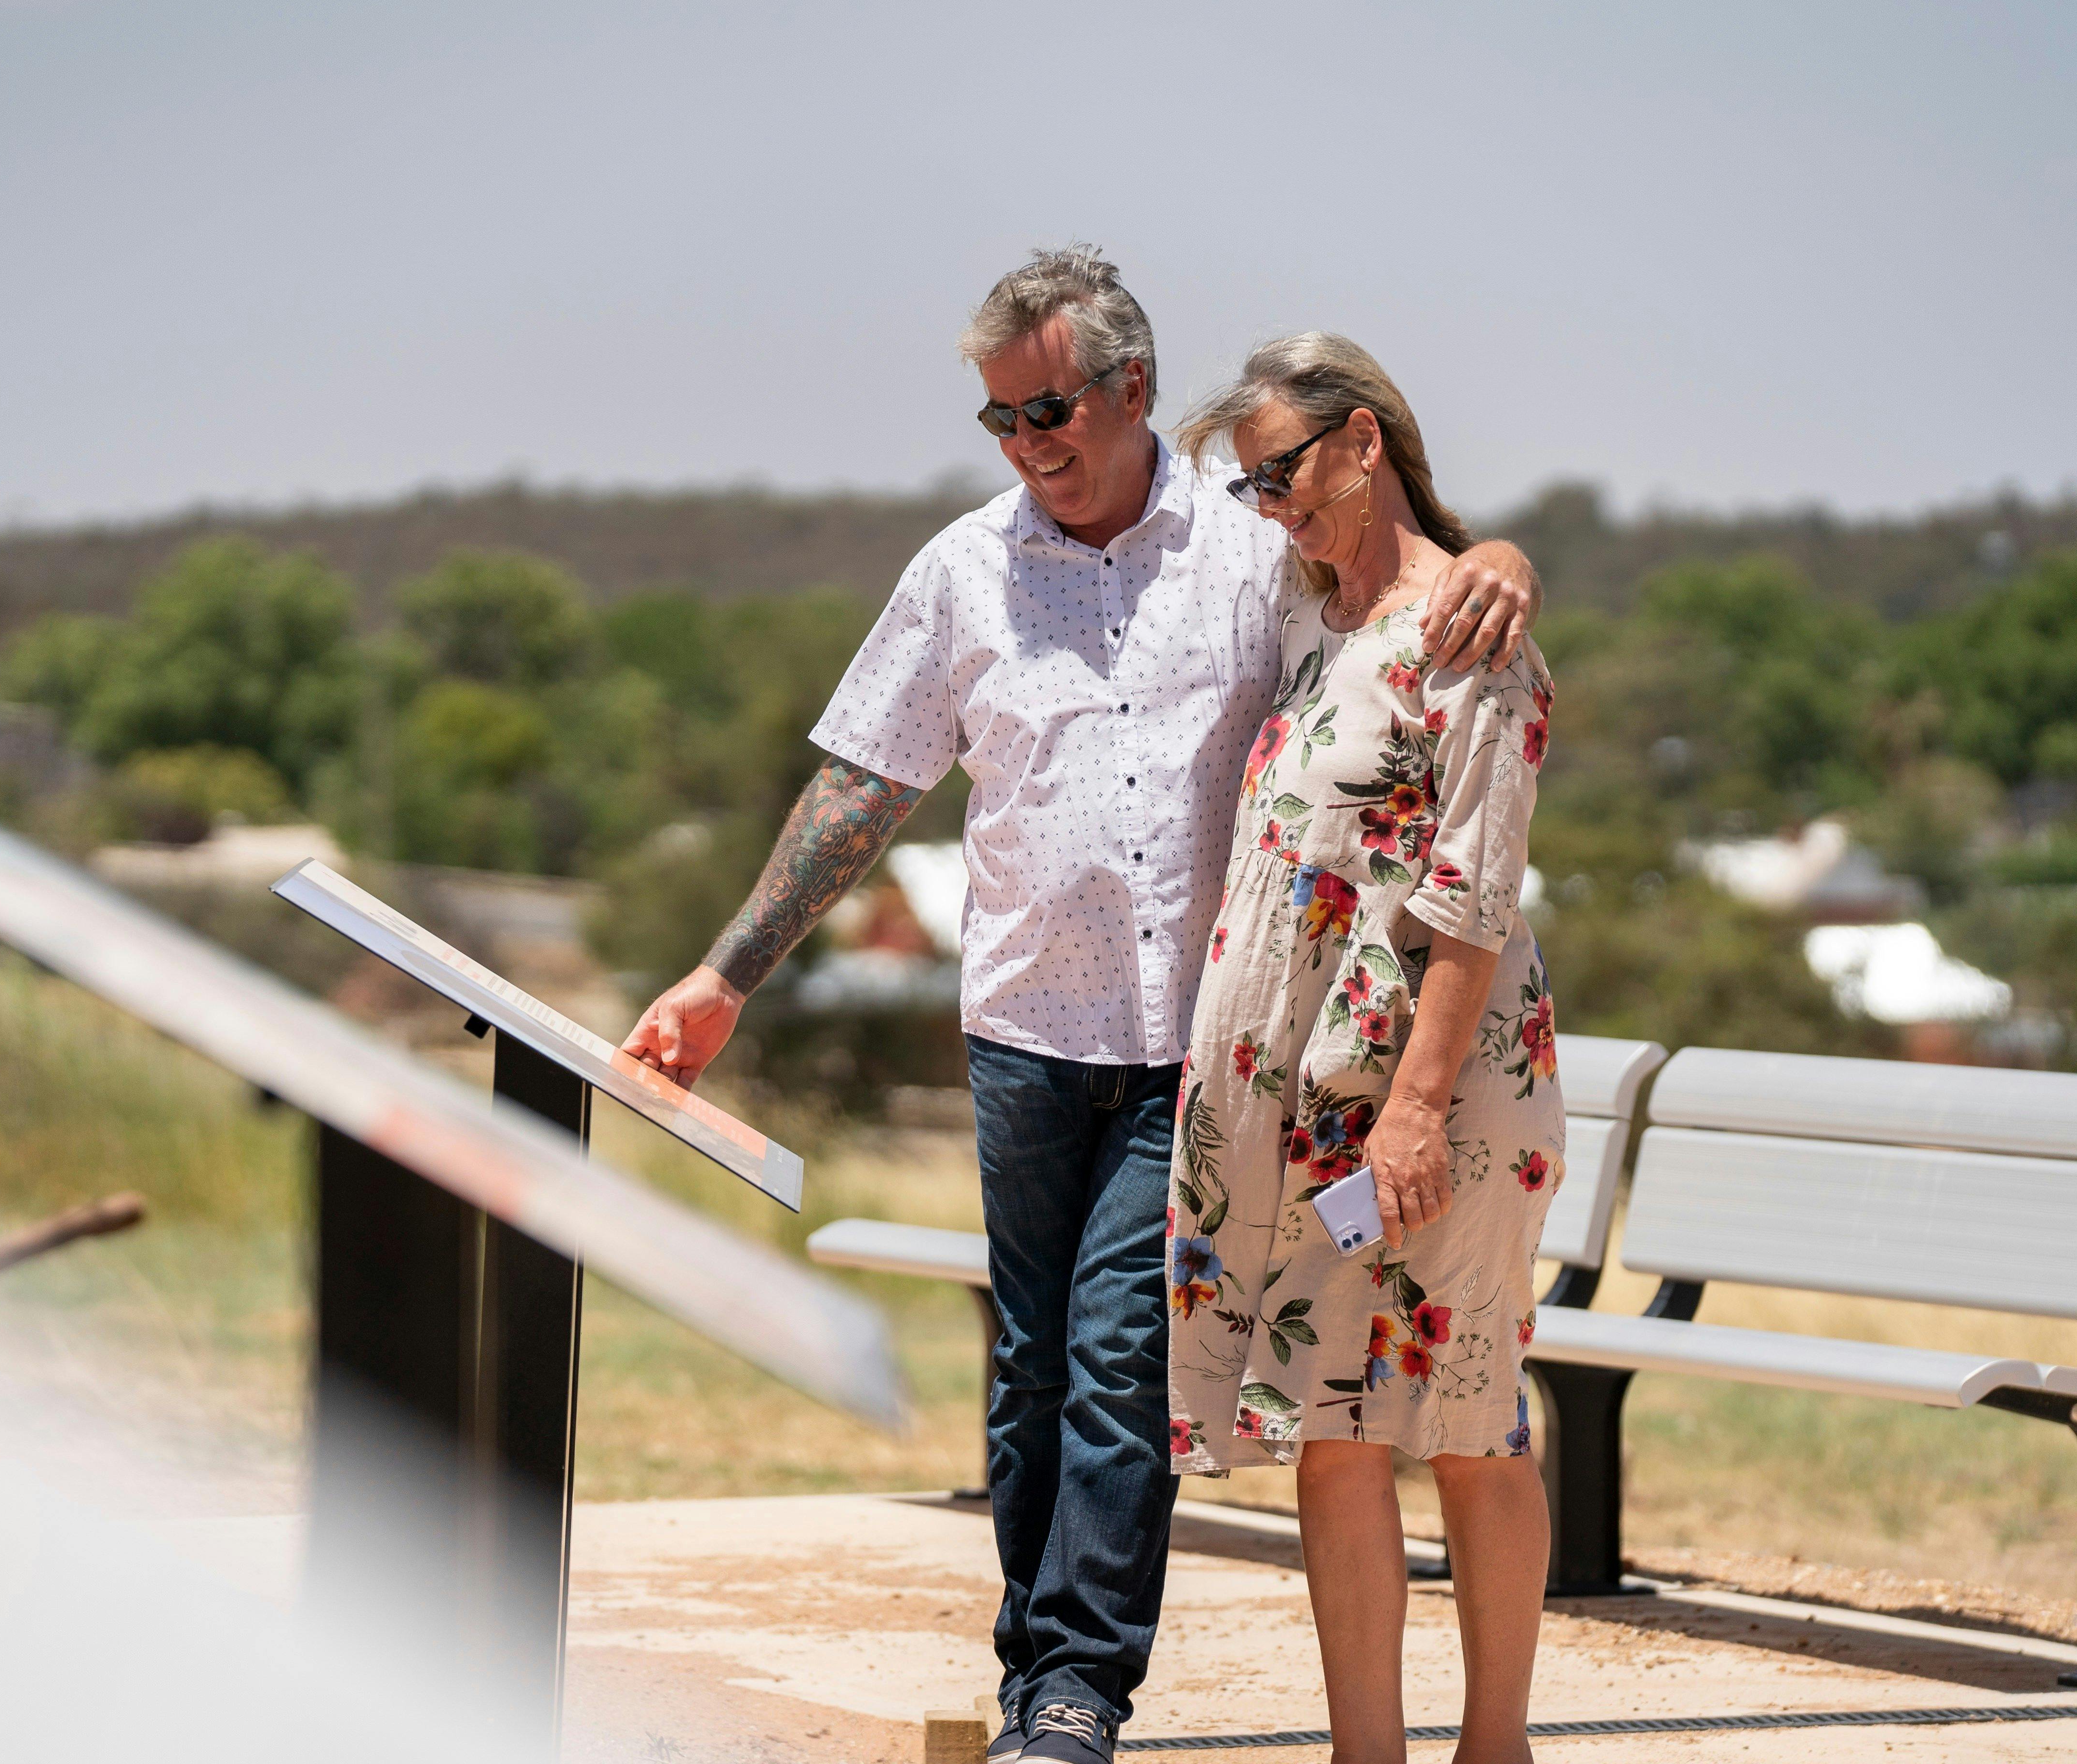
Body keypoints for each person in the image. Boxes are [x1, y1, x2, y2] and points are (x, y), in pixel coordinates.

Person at [623, 249, 1540, 1764]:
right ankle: (1029, 1669)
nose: (1025, 441)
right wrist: (727, 977)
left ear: (1129, 390)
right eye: (997, 419)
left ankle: (1075, 1695)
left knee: (1120, 1363)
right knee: (1032, 1371)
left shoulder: (1250, 544)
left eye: (1047, 407)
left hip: (1195, 1055)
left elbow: (1408, 608)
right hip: (1024, 1040)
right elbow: (867, 782)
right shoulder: (964, 570)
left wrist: (1508, 553)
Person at [1166, 334, 1560, 1764]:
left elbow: (1470, 895)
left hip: (1440, 1101)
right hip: (1305, 1109)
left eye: (1284, 471)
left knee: (1469, 1423)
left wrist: (1411, 1110)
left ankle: (1493, 1748)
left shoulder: (1469, 628)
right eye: (1250, 486)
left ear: (1364, 440)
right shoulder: (1306, 619)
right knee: (1327, 1427)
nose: (1271, 506)